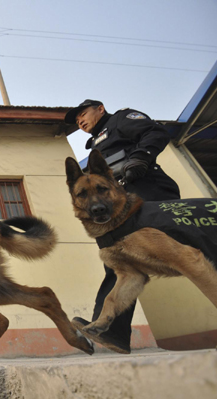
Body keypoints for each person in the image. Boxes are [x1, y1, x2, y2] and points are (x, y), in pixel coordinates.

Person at [64, 99, 181, 354]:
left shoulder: (121, 120)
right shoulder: (93, 145)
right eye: (76, 120)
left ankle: (110, 330)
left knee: (188, 249)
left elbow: (155, 132)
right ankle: (110, 331)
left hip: (148, 190)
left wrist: (140, 158)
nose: (80, 121)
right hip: (119, 204)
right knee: (117, 262)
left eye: (83, 114)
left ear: (100, 109)